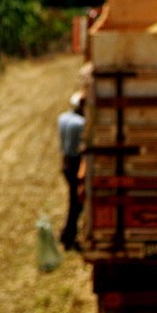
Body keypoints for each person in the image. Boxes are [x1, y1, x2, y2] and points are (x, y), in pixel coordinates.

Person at [57, 91, 86, 250]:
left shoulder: (62, 118)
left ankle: (67, 233)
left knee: (73, 199)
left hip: (65, 161)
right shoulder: (81, 123)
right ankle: (68, 234)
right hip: (76, 163)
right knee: (76, 202)